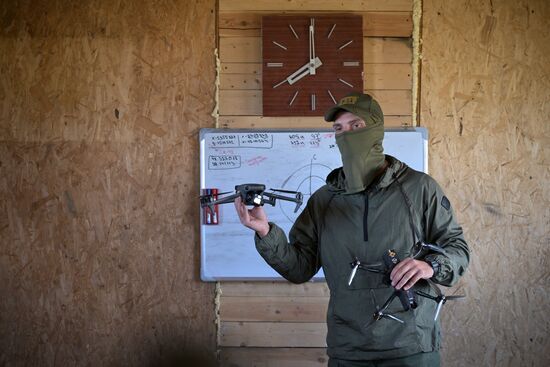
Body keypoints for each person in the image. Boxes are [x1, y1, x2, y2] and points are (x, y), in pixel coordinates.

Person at [234, 92, 470, 366]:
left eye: (356, 126)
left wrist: (428, 266)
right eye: (339, 129)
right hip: (348, 348)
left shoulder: (419, 189)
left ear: (376, 130)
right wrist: (265, 232)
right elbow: (299, 268)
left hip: (411, 345)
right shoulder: (324, 200)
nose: (346, 135)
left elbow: (457, 248)